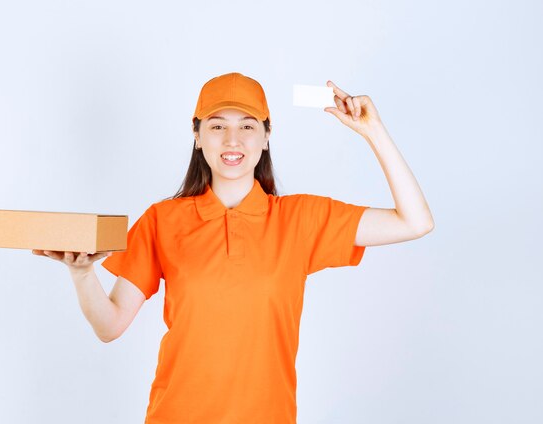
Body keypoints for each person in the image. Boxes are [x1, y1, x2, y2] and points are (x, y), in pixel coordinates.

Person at [33, 72, 434, 423]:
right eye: (216, 125)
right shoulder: (162, 220)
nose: (232, 139)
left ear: (266, 135)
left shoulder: (300, 219)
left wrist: (373, 131)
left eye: (247, 126)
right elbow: (110, 325)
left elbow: (415, 221)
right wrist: (82, 273)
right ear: (196, 135)